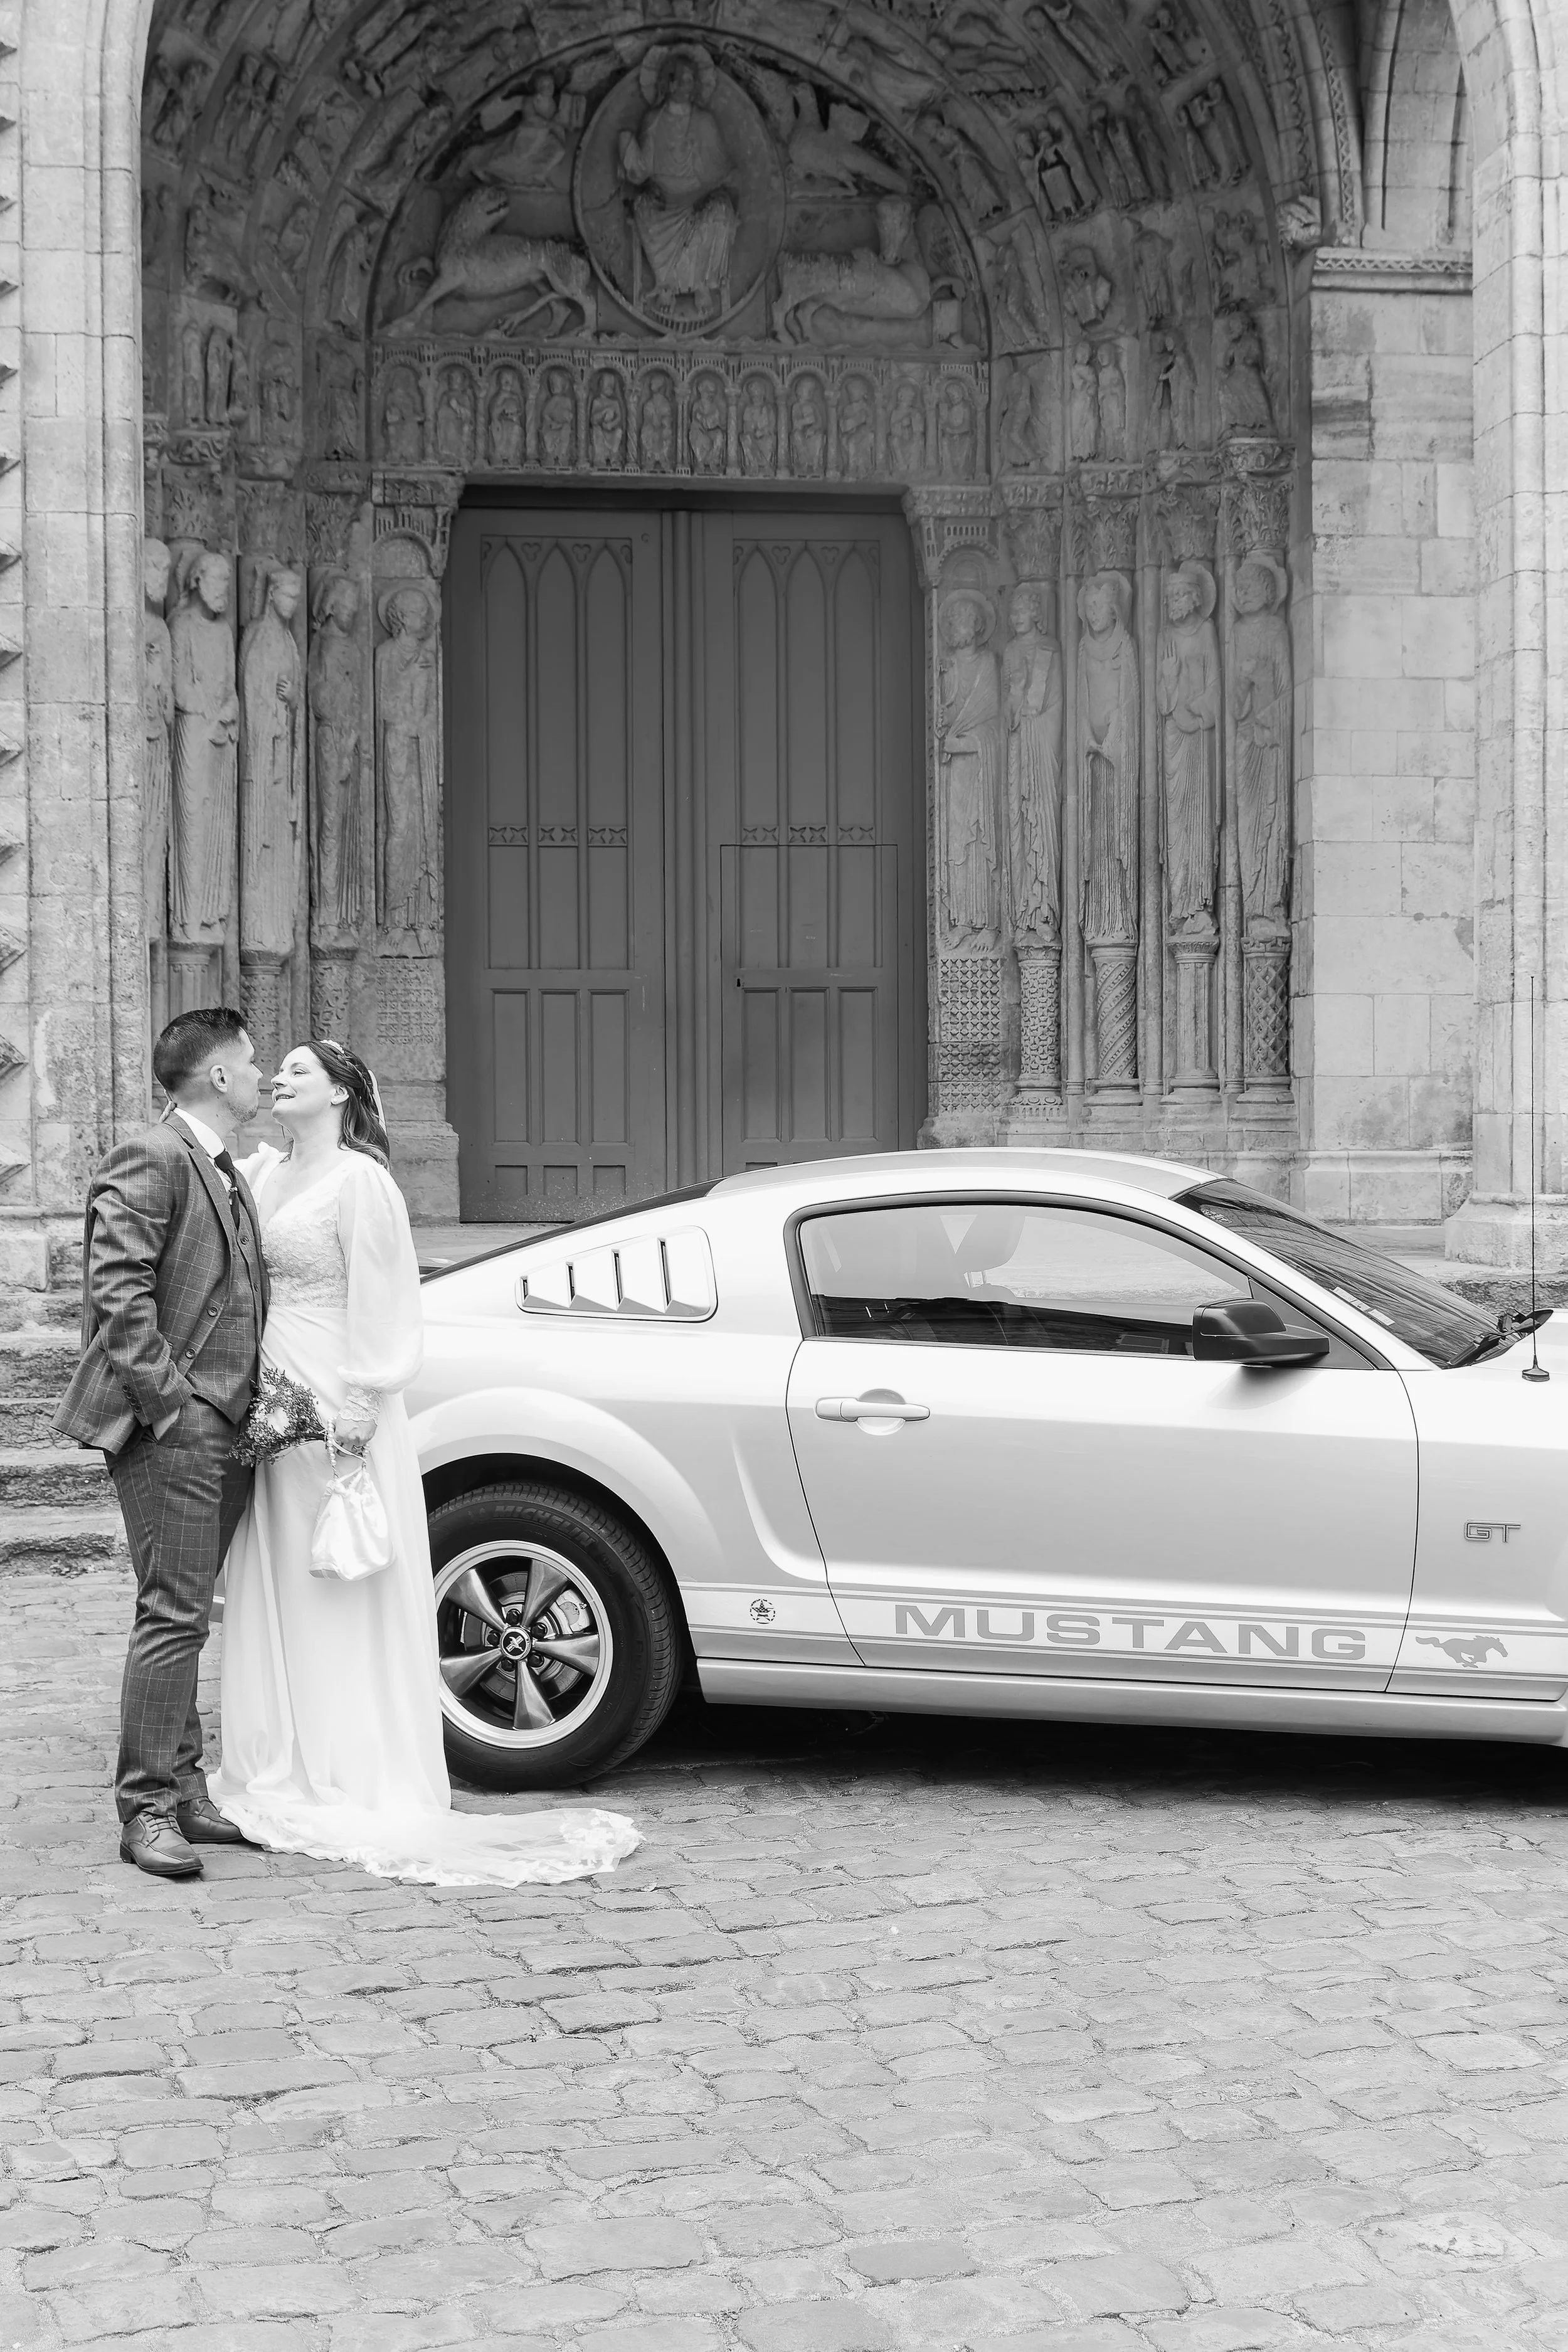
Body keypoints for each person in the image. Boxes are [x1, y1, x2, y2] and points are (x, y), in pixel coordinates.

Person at [213, 1038, 639, 1886]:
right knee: (281, 1573)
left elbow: (386, 1291)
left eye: (298, 1069)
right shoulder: (261, 1174)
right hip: (270, 1393)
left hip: (335, 1392)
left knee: (346, 1572)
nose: (279, 1079)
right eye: (279, 1068)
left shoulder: (360, 1181)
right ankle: (286, 1757)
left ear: (339, 1093)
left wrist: (361, 1405)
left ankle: (355, 1765)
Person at [53, 1008, 268, 1880]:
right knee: (172, 1612)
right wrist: (172, 1405)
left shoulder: (222, 1165)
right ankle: (144, 1806)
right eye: (251, 1062)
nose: (259, 1075)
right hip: (174, 1425)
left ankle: (183, 1786)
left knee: (187, 1609)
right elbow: (117, 1290)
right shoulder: (154, 1153)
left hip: (227, 1420)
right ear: (217, 1076)